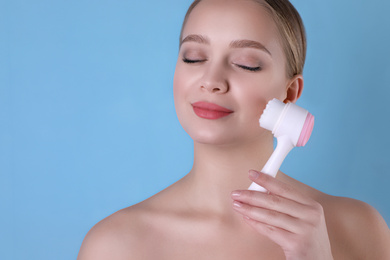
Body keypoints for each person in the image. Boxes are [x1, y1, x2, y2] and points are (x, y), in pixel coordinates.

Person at [77, 0, 390, 259]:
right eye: (193, 57)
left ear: (290, 93)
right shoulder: (113, 246)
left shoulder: (359, 229)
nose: (211, 80)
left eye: (246, 63)